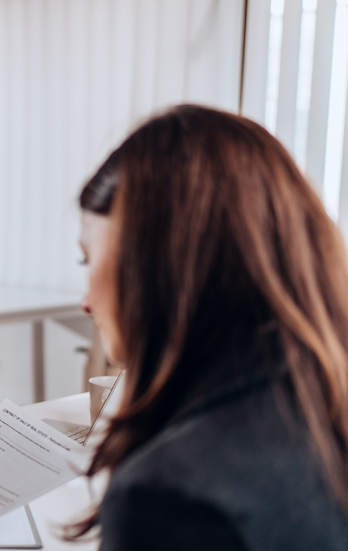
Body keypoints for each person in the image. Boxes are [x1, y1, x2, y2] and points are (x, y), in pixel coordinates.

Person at [73, 105, 348, 549]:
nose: (85, 301)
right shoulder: (320, 402)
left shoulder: (167, 497)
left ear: (159, 266)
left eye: (88, 259)